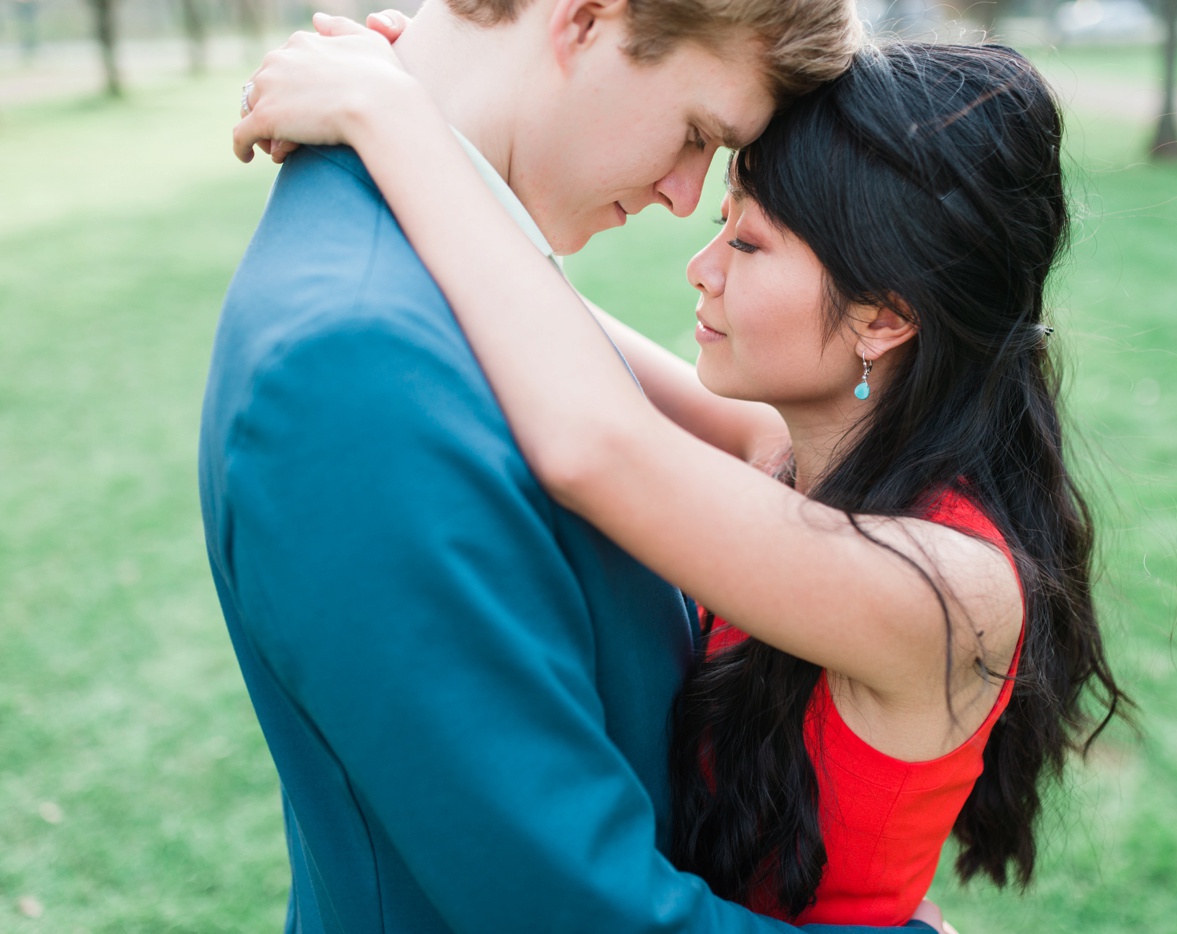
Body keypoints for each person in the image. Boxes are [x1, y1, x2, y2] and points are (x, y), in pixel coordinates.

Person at [233, 14, 1131, 930]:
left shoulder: (947, 589)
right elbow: (540, 318)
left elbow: (594, 442)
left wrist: (395, 121)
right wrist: (434, 93)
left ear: (883, 318)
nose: (701, 268)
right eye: (720, 225)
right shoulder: (781, 457)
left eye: (746, 244)